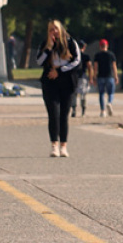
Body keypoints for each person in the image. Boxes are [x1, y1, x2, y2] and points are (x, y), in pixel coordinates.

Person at [36, 20, 81, 157]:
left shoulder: (71, 42)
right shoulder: (45, 44)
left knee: (64, 115)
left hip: (66, 82)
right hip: (50, 82)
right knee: (53, 114)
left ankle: (64, 146)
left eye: (55, 29)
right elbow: (39, 61)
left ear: (61, 29)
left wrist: (60, 71)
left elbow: (77, 61)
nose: (53, 32)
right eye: (50, 29)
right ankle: (54, 145)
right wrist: (48, 48)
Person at [92, 39, 118, 117]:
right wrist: (116, 76)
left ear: (100, 46)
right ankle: (109, 102)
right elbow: (114, 66)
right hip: (109, 76)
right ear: (107, 46)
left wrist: (94, 77)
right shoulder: (111, 55)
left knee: (101, 94)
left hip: (100, 76)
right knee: (111, 93)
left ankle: (102, 111)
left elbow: (95, 67)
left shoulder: (97, 55)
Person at [72, 41, 91, 118]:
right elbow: (89, 67)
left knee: (74, 94)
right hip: (82, 76)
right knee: (83, 94)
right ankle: (83, 110)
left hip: (74, 76)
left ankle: (73, 110)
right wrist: (91, 77)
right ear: (84, 47)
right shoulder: (86, 56)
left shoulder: (73, 56)